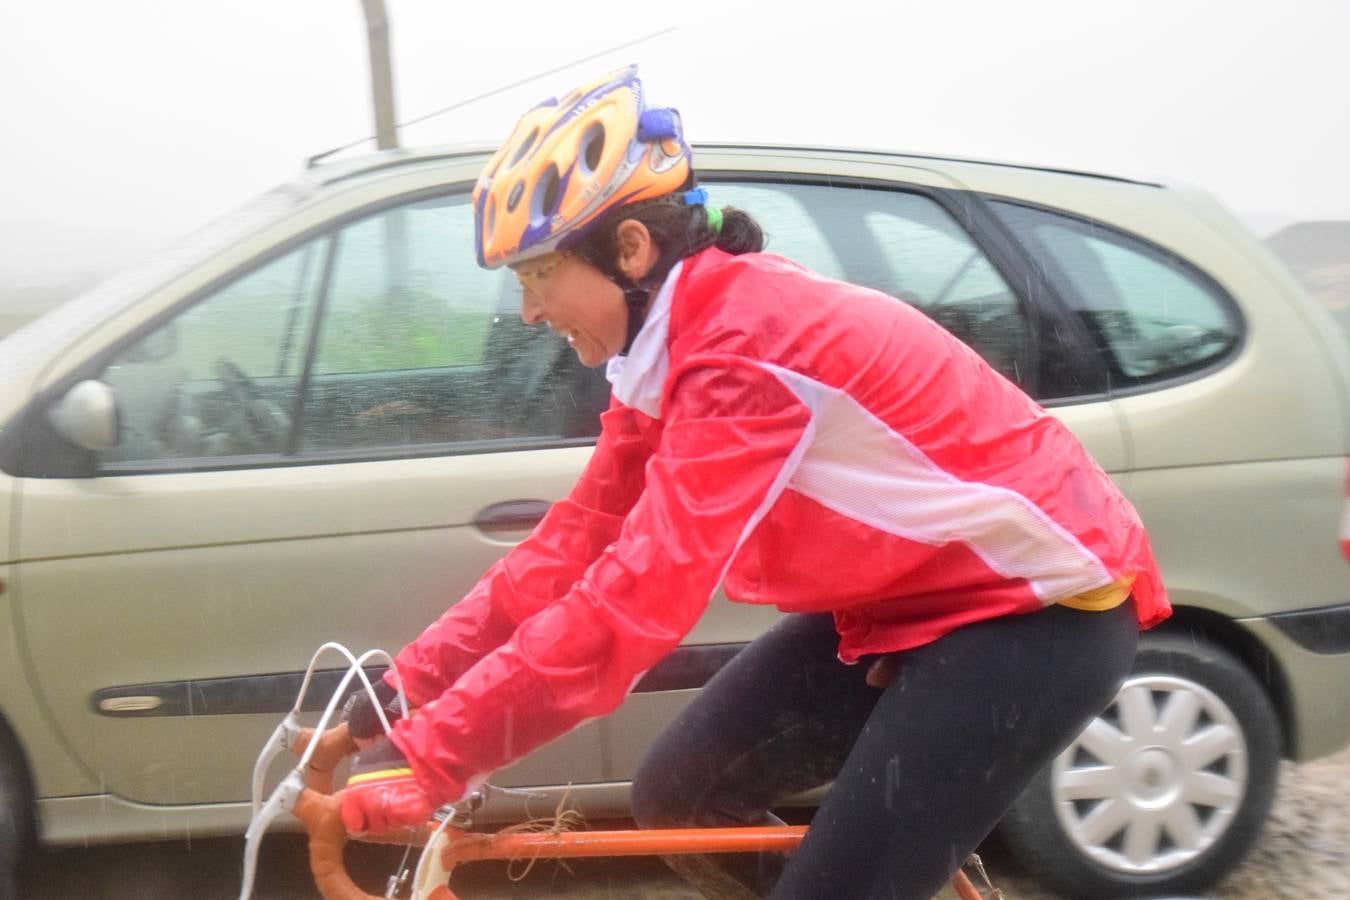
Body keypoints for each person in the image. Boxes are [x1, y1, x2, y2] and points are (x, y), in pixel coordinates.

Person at [339, 65, 1171, 899]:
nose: (527, 311)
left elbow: (637, 600)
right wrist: (406, 687)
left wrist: (435, 756)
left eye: (536, 274)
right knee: (682, 797)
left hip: (1037, 617)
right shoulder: (674, 347)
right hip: (910, 600)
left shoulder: (747, 352)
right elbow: (575, 543)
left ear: (629, 248)